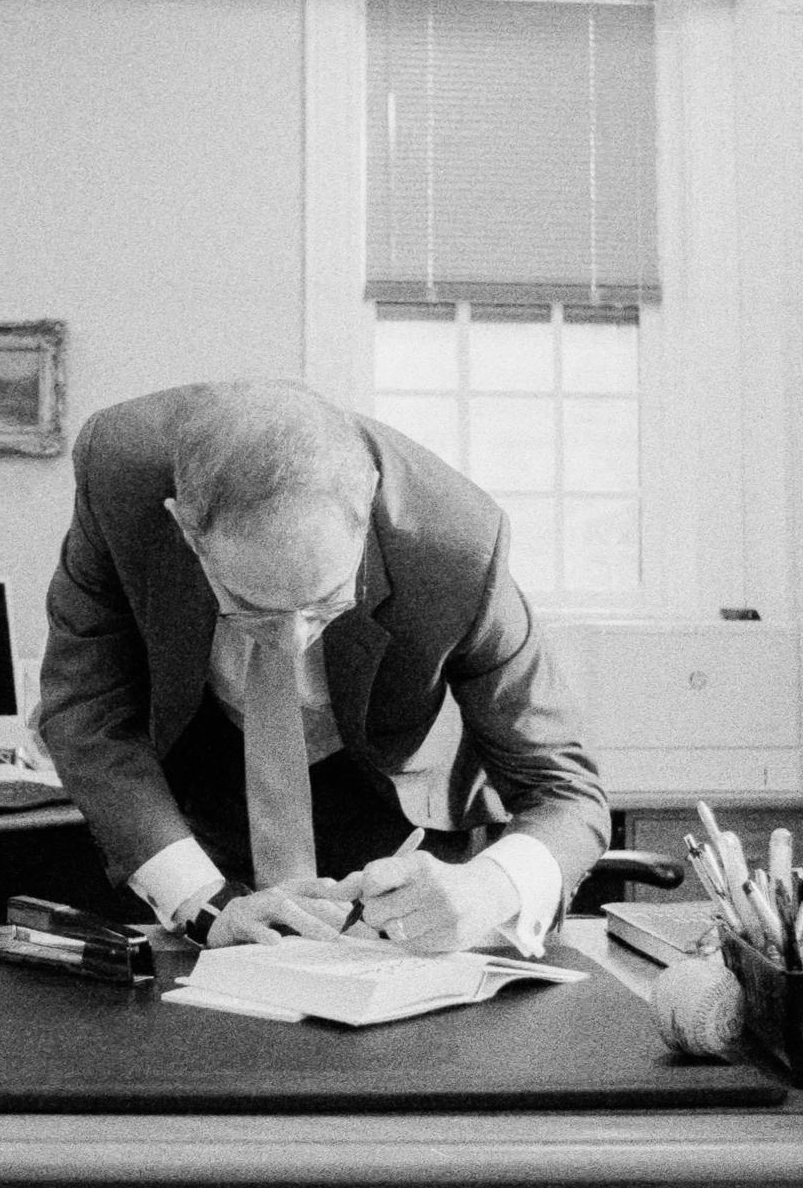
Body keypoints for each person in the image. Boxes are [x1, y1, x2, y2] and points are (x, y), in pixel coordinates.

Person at [38, 379, 606, 955]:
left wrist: (488, 887)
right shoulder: (119, 478)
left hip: (399, 824)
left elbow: (562, 788)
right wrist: (203, 902)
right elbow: (88, 711)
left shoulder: (456, 546)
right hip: (201, 797)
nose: (290, 645)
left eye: (325, 602)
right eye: (254, 609)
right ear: (186, 528)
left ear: (368, 508)